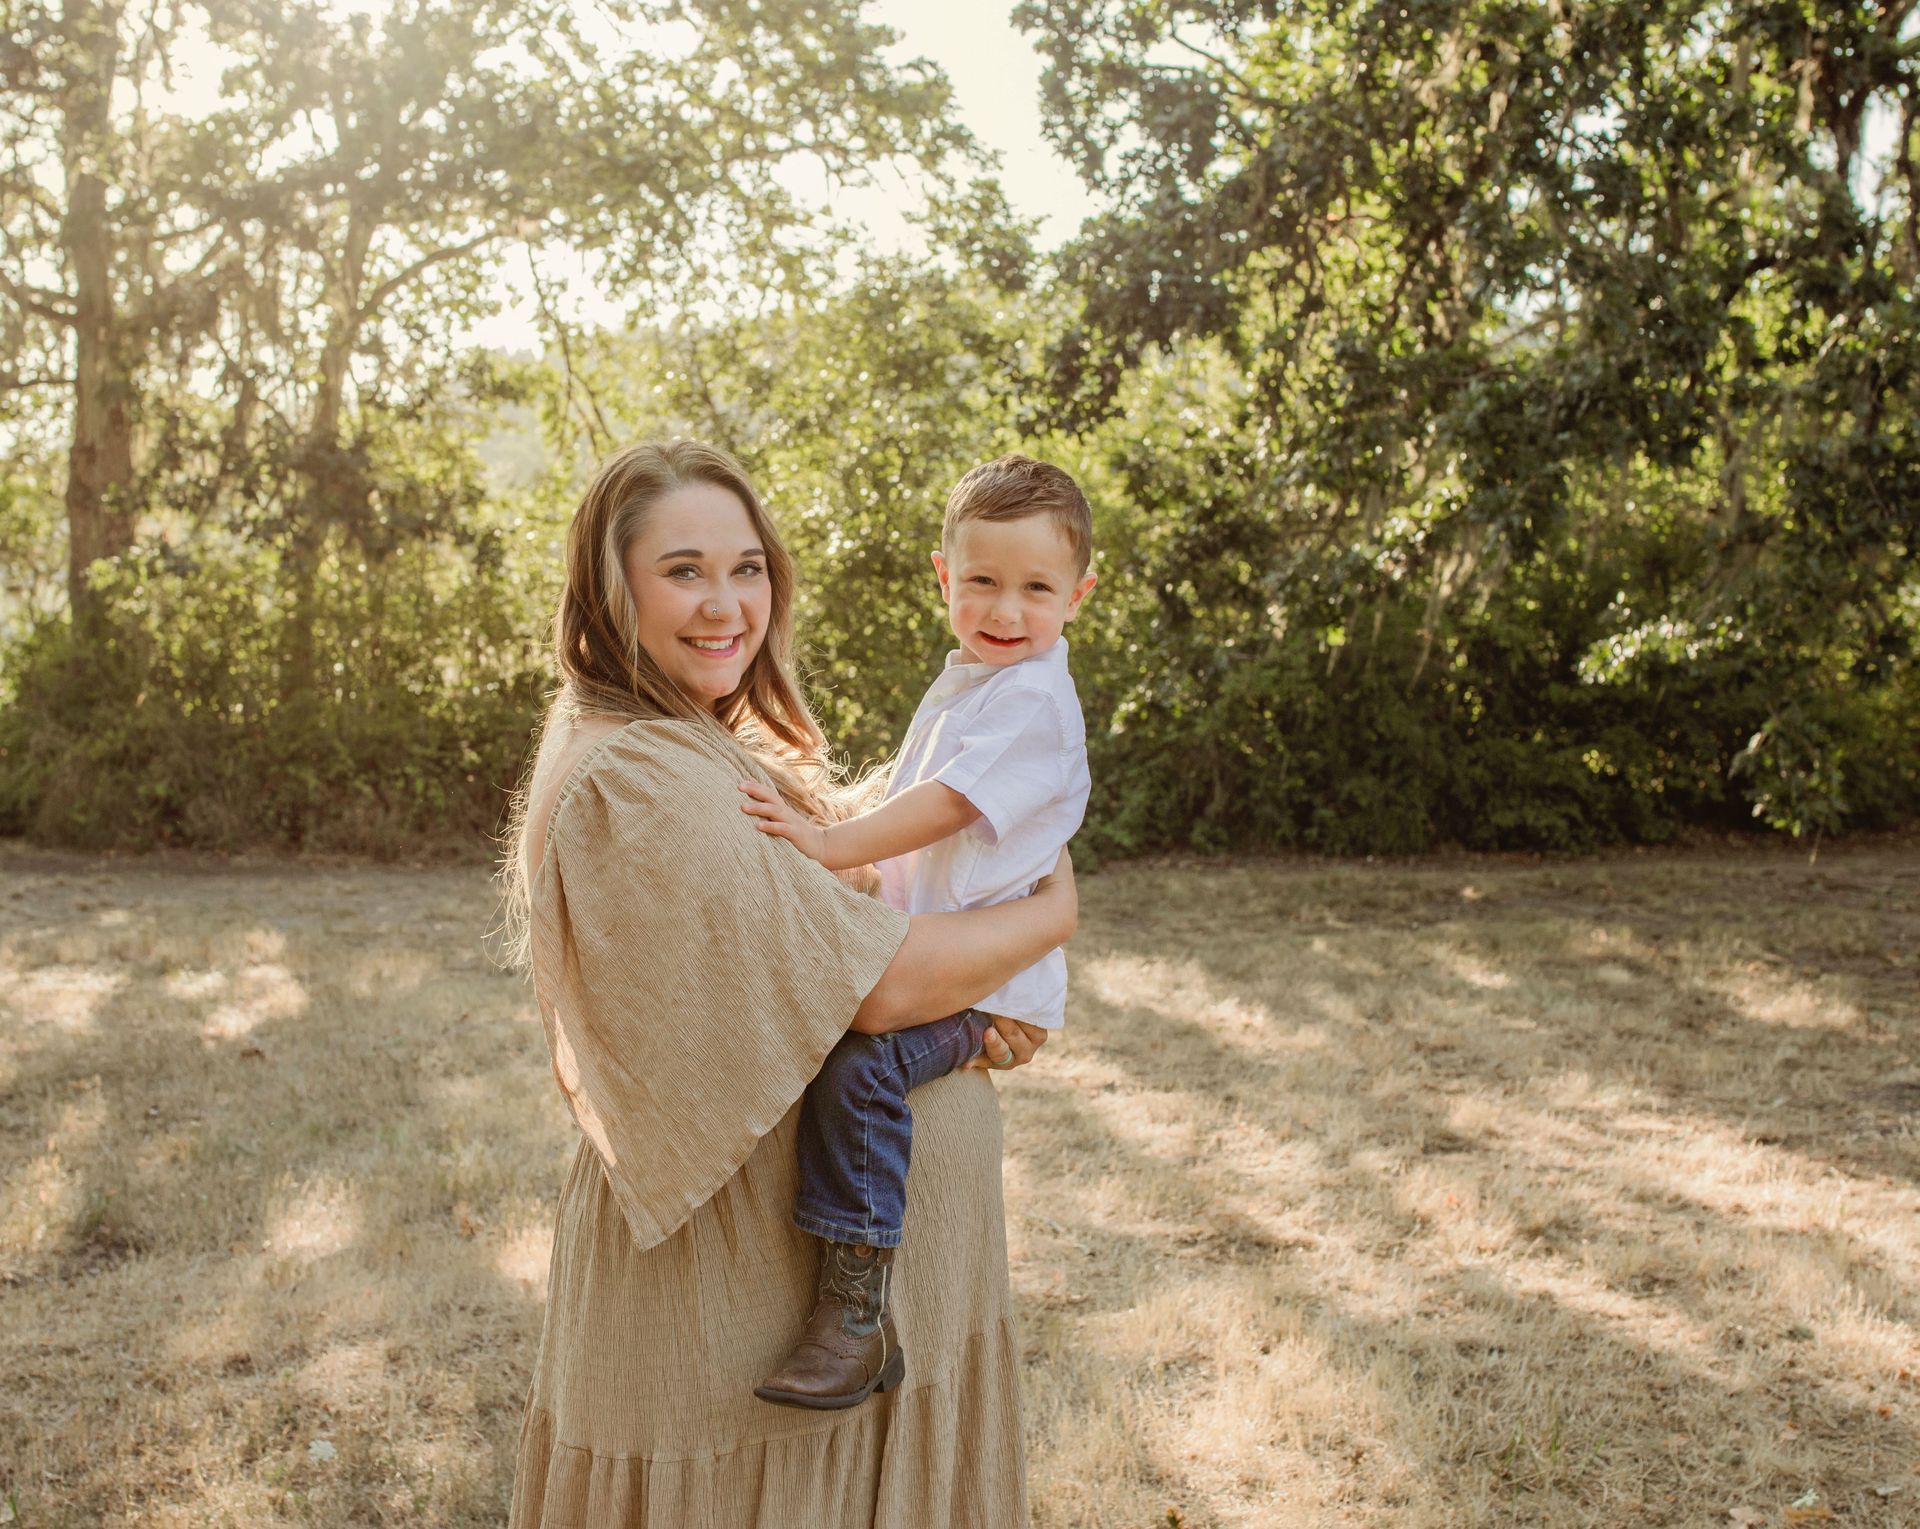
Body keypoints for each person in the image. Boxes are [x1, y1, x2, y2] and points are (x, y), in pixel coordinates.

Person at [501, 440, 1075, 1528]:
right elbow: (880, 987)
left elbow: (824, 880)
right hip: (736, 1295)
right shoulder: (636, 775)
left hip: (828, 1280)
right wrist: (1044, 918)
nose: (726, 604)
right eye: (683, 570)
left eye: (748, 566)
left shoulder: (678, 736)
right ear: (609, 586)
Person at [738, 454, 1095, 1412]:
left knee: (864, 1069)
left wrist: (825, 842)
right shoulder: (977, 681)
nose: (1005, 608)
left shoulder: (1030, 701)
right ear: (944, 576)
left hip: (979, 988)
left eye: (1035, 588)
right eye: (981, 580)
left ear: (1079, 595)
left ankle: (856, 1313)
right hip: (936, 957)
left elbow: (938, 809)